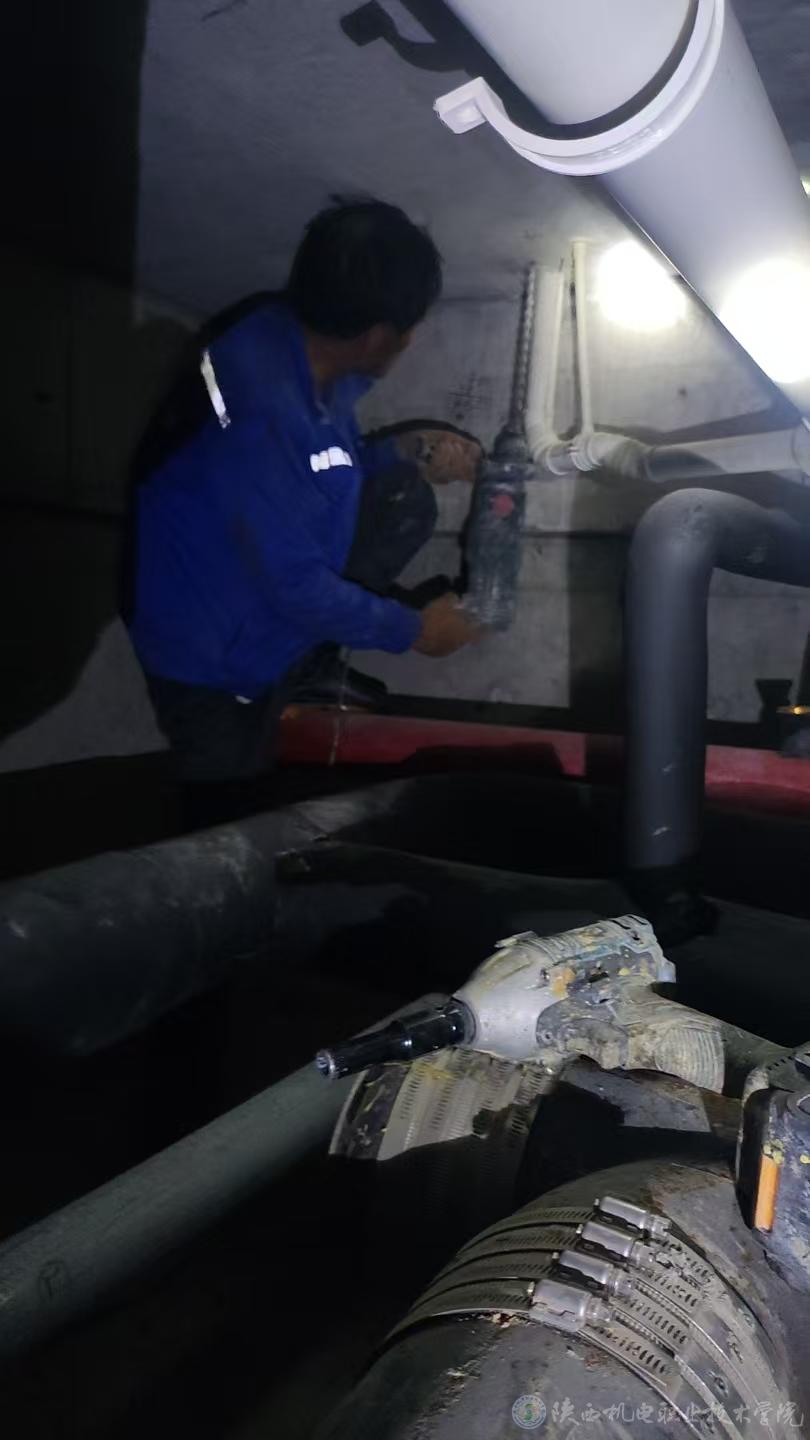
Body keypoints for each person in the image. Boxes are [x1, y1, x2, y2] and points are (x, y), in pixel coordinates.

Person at [127, 200, 482, 820]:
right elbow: (294, 584)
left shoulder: (297, 348)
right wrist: (417, 632)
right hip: (207, 651)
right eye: (408, 328)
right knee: (226, 816)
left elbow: (317, 467)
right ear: (377, 337)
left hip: (249, 569)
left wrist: (406, 450)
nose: (411, 340)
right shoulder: (264, 414)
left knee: (402, 499)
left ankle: (306, 661)